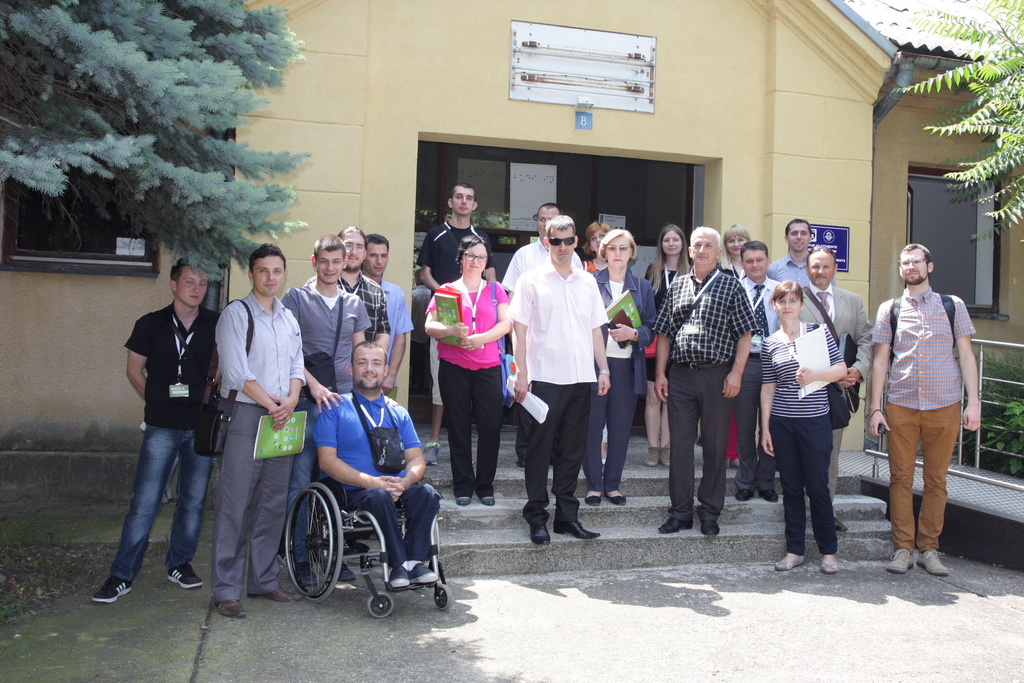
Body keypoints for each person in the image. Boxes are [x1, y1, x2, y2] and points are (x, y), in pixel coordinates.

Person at [93, 260, 217, 604]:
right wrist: (158, 402)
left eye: (203, 283)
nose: (197, 288)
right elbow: (134, 371)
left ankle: (179, 563)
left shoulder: (215, 323)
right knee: (145, 503)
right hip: (162, 426)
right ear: (173, 285)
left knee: (193, 501)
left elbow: (223, 364)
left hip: (200, 425)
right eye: (189, 282)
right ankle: (121, 574)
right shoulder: (150, 324)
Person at [869, 243, 980, 577]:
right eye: (905, 263)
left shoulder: (952, 305)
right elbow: (880, 361)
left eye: (917, 261)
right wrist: (875, 408)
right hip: (901, 405)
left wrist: (974, 402)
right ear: (901, 269)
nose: (911, 267)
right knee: (900, 479)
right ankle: (902, 549)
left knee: (936, 480)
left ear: (929, 266)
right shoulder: (890, 308)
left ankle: (929, 549)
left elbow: (966, 355)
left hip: (944, 404)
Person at [210, 243, 305, 619]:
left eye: (277, 271)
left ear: (284, 274)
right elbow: (237, 373)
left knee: (272, 502)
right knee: (234, 504)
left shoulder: (288, 318)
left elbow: (297, 365)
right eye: (263, 270)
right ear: (251, 274)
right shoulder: (236, 314)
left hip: (282, 416)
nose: (270, 277)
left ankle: (264, 580)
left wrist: (291, 400)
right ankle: (226, 589)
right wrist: (272, 405)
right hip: (247, 416)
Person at [508, 215, 610, 544]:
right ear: (546, 242)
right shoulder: (530, 280)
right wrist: (522, 373)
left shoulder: (587, 282)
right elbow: (518, 329)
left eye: (568, 241)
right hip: (544, 378)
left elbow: (596, 329)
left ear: (576, 242)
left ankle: (567, 517)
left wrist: (604, 369)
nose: (562, 247)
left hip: (581, 379)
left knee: (571, 452)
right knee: (539, 452)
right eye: (555, 241)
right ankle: (536, 517)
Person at [652, 227, 759, 536]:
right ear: (689, 250)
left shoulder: (731, 285)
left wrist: (736, 373)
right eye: (697, 245)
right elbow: (664, 334)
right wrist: (660, 373)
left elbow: (745, 334)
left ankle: (710, 511)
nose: (701, 250)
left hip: (718, 376)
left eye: (708, 245)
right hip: (681, 376)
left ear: (718, 252)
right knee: (680, 448)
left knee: (714, 447)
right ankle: (681, 512)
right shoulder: (677, 286)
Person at [314, 342, 441, 589]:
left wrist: (406, 482)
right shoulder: (335, 408)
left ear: (385, 370)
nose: (369, 369)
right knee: (379, 495)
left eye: (376, 363)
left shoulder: (398, 412)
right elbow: (326, 461)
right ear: (351, 369)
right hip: (353, 493)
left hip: (395, 488)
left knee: (426, 493)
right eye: (362, 363)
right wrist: (372, 483)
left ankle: (413, 562)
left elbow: (416, 459)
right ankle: (398, 564)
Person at [281, 234, 369, 581]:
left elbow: (360, 355)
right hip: (306, 401)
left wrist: (364, 400)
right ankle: (300, 557)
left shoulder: (354, 303)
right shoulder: (296, 299)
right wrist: (313, 384)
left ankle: (333, 555)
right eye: (324, 261)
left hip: (342, 405)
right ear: (314, 261)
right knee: (301, 481)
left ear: (345, 261)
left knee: (336, 481)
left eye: (336, 261)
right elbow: (287, 350)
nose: (331, 268)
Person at [760, 281, 846, 574]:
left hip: (815, 422)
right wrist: (765, 428)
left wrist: (815, 375)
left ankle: (829, 552)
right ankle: (794, 550)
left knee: (818, 487)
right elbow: (768, 387)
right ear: (774, 305)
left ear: (801, 304)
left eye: (792, 301)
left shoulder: (817, 334)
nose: (787, 306)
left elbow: (841, 370)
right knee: (792, 488)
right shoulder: (770, 343)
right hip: (783, 423)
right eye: (781, 301)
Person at [425, 235, 511, 506]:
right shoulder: (446, 290)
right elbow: (429, 326)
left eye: (481, 257)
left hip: (488, 367)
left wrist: (480, 338)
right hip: (454, 366)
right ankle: (463, 485)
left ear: (487, 262)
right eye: (471, 255)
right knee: (458, 427)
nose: (476, 261)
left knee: (490, 427)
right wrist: (449, 329)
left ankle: (485, 486)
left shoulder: (496, 290)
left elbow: (506, 324)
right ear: (461, 258)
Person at [418, 183, 496, 465]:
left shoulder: (481, 237)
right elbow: (424, 274)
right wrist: (447, 296)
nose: (464, 202)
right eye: (459, 197)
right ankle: (434, 440)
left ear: (475, 206)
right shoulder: (436, 234)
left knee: (478, 390)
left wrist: (486, 300)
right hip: (446, 317)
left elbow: (491, 275)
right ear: (450, 202)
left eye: (469, 198)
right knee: (442, 382)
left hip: (480, 322)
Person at [798, 245, 873, 532]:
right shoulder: (795, 298)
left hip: (838, 393)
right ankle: (800, 512)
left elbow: (866, 339)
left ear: (835, 268)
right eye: (815, 266)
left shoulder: (852, 301)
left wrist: (859, 369)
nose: (820, 271)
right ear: (807, 270)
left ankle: (823, 514)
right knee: (802, 455)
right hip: (805, 390)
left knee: (830, 456)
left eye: (825, 266)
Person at [501, 202, 582, 468]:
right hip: (530, 339)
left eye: (552, 219)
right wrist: (514, 332)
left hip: (562, 345)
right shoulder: (523, 255)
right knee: (528, 399)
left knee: (558, 406)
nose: (546, 223)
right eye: (542, 219)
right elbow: (510, 295)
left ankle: (553, 453)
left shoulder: (573, 257)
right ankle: (527, 453)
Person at [583, 229, 656, 506]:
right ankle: (593, 485)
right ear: (603, 251)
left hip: (627, 366)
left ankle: (612, 485)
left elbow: (651, 327)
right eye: (612, 248)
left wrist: (634, 334)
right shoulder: (590, 282)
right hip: (595, 365)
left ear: (632, 253)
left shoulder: (643, 287)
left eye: (623, 248)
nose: (617, 253)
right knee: (592, 427)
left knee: (620, 428)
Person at [732, 241, 781, 503]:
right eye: (749, 261)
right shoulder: (734, 290)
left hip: (775, 364)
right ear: (742, 263)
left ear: (767, 260)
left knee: (770, 424)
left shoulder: (780, 291)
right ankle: (745, 481)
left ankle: (766, 481)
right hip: (746, 364)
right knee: (745, 425)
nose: (755, 265)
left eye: (759, 260)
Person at [643, 224, 688, 467]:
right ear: (661, 244)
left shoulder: (692, 272)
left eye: (675, 240)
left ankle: (666, 448)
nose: (671, 244)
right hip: (655, 342)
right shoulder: (653, 271)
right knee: (653, 396)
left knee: (670, 397)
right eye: (666, 240)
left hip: (682, 343)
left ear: (682, 244)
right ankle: (653, 448)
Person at [364, 233, 415, 395]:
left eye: (384, 256)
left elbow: (400, 337)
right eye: (373, 255)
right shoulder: (350, 292)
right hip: (353, 378)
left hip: (385, 381)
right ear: (363, 256)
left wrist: (391, 375)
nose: (379, 261)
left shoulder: (396, 293)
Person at [338, 226, 390, 352]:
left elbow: (383, 333)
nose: (354, 252)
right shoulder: (321, 285)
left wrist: (370, 358)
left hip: (363, 363)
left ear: (365, 253)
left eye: (359, 247)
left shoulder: (376, 291)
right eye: (348, 245)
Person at [766, 218, 811, 286]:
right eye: (794, 233)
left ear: (810, 238)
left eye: (803, 233)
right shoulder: (773, 269)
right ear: (786, 238)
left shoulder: (819, 269)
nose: (799, 237)